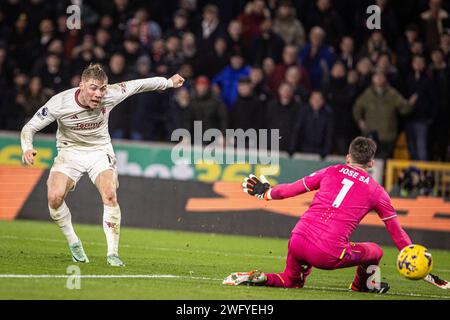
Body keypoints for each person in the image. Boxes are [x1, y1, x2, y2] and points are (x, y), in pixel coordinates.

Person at [20, 64, 184, 266]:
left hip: (99, 150)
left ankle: (112, 254)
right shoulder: (59, 102)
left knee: (109, 193)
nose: (98, 93)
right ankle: (74, 243)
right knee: (54, 198)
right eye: (93, 88)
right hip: (69, 151)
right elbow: (29, 128)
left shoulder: (111, 94)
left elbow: (140, 84)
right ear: (81, 85)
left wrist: (168, 82)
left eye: (102, 88)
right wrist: (27, 147)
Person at [224, 137, 413, 293]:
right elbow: (396, 232)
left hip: (298, 239)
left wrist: (267, 193)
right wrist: (414, 257)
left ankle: (261, 277)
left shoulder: (330, 171)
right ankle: (361, 286)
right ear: (371, 163)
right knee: (375, 251)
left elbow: (291, 189)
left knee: (291, 281)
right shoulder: (377, 192)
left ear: (348, 157)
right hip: (326, 252)